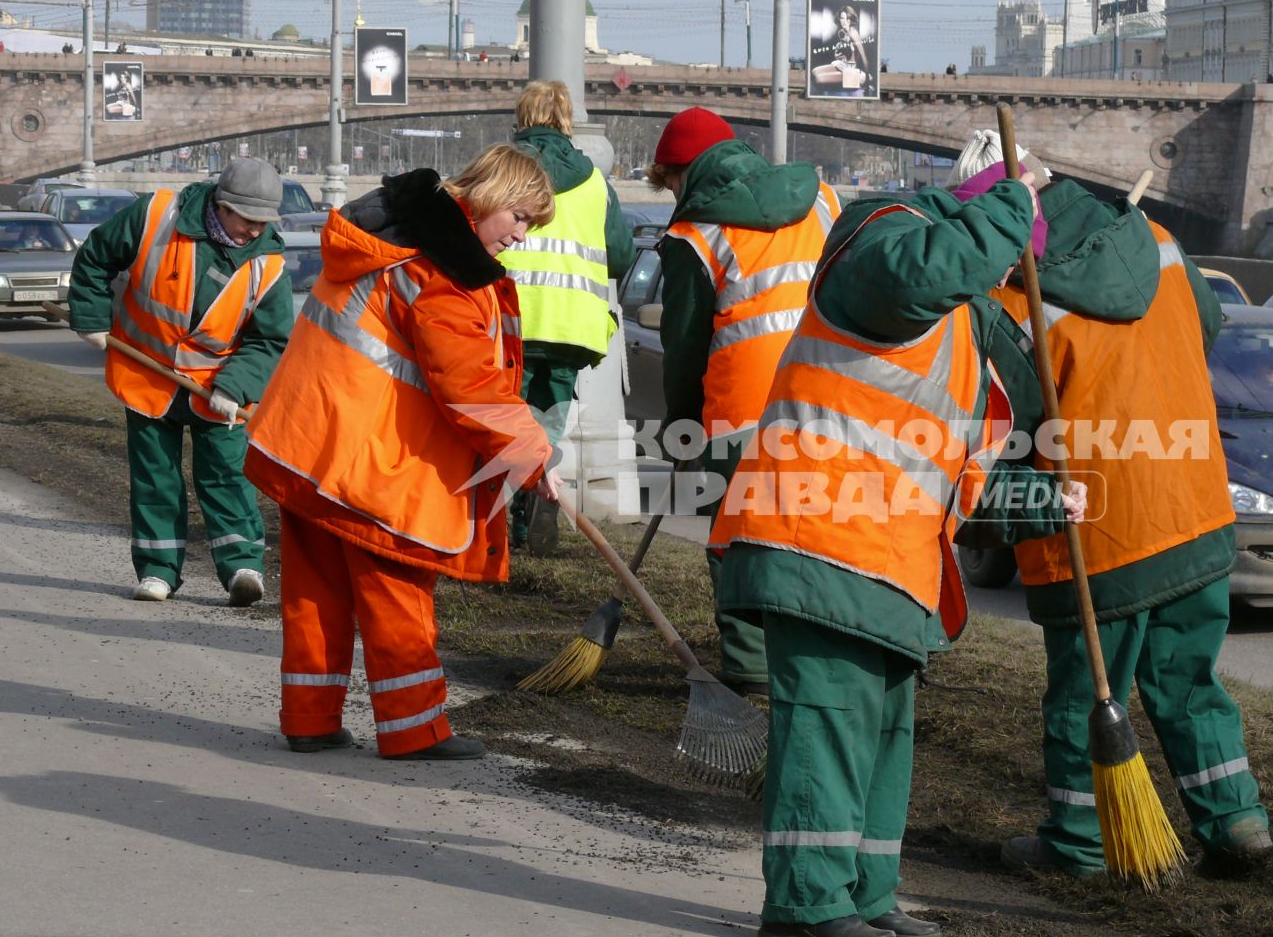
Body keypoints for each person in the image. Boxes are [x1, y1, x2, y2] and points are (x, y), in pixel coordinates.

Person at [709, 169, 1082, 937]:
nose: (1010, 286)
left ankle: (866, 892)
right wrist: (1013, 204)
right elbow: (930, 268)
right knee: (830, 727)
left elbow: (957, 475)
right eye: (1011, 268)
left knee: (881, 735)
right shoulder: (881, 245)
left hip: (884, 558)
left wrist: (1047, 505)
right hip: (817, 537)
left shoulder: (953, 332)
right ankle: (806, 903)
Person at [986, 173, 1273, 879]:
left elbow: (998, 418)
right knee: (1188, 678)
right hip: (1191, 502)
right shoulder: (1160, 242)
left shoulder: (1008, 296)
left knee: (1087, 694)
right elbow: (1204, 330)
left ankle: (1081, 841)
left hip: (1097, 527)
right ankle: (1233, 819)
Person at [244, 146, 559, 760]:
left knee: (315, 591)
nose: (521, 235)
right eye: (519, 217)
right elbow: (469, 384)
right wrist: (529, 456)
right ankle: (414, 729)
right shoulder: (443, 273)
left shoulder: (385, 240)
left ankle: (309, 719)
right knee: (397, 594)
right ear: (490, 196)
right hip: (370, 463)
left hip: (308, 445)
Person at [648, 105, 840, 696]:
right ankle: (823, 660)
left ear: (683, 173)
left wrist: (681, 424)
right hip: (831, 396)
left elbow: (683, 342)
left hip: (742, 410)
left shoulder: (693, 236)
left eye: (672, 182)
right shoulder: (823, 200)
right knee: (819, 530)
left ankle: (754, 671)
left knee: (738, 539)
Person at [68, 159, 294, 605]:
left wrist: (237, 385)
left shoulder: (269, 263)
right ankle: (157, 571)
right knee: (155, 477)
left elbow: (271, 339)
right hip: (146, 372)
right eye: (247, 220)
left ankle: (242, 567)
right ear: (221, 205)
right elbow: (95, 257)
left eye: (262, 222)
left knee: (228, 475)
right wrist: (91, 319)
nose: (254, 231)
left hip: (217, 388)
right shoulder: (155, 215)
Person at [502, 79, 636, 553]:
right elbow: (619, 255)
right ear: (566, 124)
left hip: (508, 321)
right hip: (571, 327)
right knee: (547, 422)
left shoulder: (503, 171)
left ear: (522, 118)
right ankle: (534, 507)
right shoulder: (595, 183)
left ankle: (494, 518)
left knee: (502, 416)